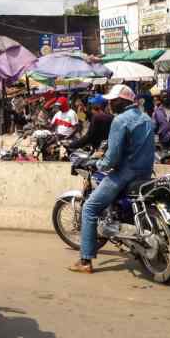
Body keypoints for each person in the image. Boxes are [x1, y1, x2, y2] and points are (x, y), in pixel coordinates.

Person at [68, 84, 155, 274]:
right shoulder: (147, 118)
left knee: (90, 208)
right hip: (145, 173)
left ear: (122, 102)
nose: (110, 104)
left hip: (125, 174)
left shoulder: (120, 120)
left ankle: (85, 261)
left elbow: (113, 157)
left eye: (113, 101)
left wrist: (98, 164)